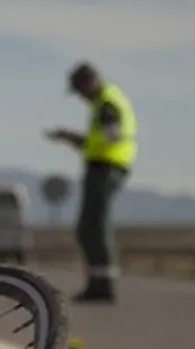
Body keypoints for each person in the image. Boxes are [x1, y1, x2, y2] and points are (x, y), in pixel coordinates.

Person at [45, 62, 138, 303]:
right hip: (103, 165)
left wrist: (77, 140)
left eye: (80, 90)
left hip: (106, 167)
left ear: (90, 81)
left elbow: (110, 137)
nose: (80, 97)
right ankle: (98, 282)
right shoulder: (103, 102)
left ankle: (103, 285)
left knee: (94, 227)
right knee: (90, 227)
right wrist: (71, 138)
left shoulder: (107, 103)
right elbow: (98, 140)